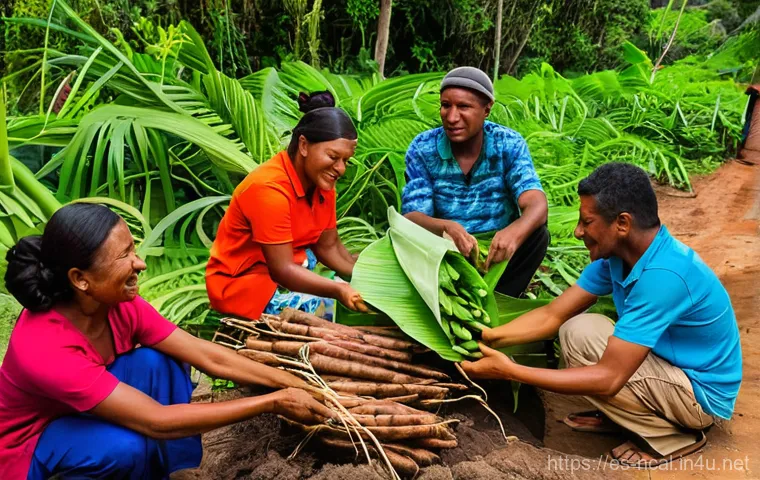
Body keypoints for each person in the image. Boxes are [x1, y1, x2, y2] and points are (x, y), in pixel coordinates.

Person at [0, 203, 335, 479]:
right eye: (123, 257)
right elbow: (155, 421)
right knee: (124, 448)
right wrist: (272, 402)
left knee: (157, 362)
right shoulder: (45, 349)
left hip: (77, 404)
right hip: (31, 444)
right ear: (80, 279)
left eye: (133, 248)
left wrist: (297, 384)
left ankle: (177, 471)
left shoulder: (118, 305)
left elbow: (208, 356)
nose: (140, 263)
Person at [461, 163, 742, 467]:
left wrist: (509, 370)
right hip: (669, 368)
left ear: (622, 223)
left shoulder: (664, 276)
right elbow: (553, 315)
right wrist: (487, 337)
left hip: (700, 395)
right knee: (578, 330)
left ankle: (670, 435)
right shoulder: (619, 257)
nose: (577, 231)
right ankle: (632, 415)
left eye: (587, 221)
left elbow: (609, 379)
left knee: (592, 351)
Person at [206, 91, 368, 320]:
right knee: (325, 312)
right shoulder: (269, 189)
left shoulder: (323, 183)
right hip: (244, 287)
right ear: (303, 145)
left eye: (346, 161)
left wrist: (369, 279)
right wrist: (340, 290)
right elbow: (282, 270)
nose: (341, 168)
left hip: (287, 272)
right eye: (333, 157)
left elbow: (328, 247)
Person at [402, 66, 549, 297]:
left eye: (464, 107)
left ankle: (503, 298)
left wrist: (514, 232)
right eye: (445, 105)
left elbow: (537, 204)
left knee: (538, 234)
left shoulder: (507, 143)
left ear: (487, 109)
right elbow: (411, 217)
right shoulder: (423, 148)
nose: (451, 117)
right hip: (445, 249)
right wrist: (446, 227)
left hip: (496, 253)